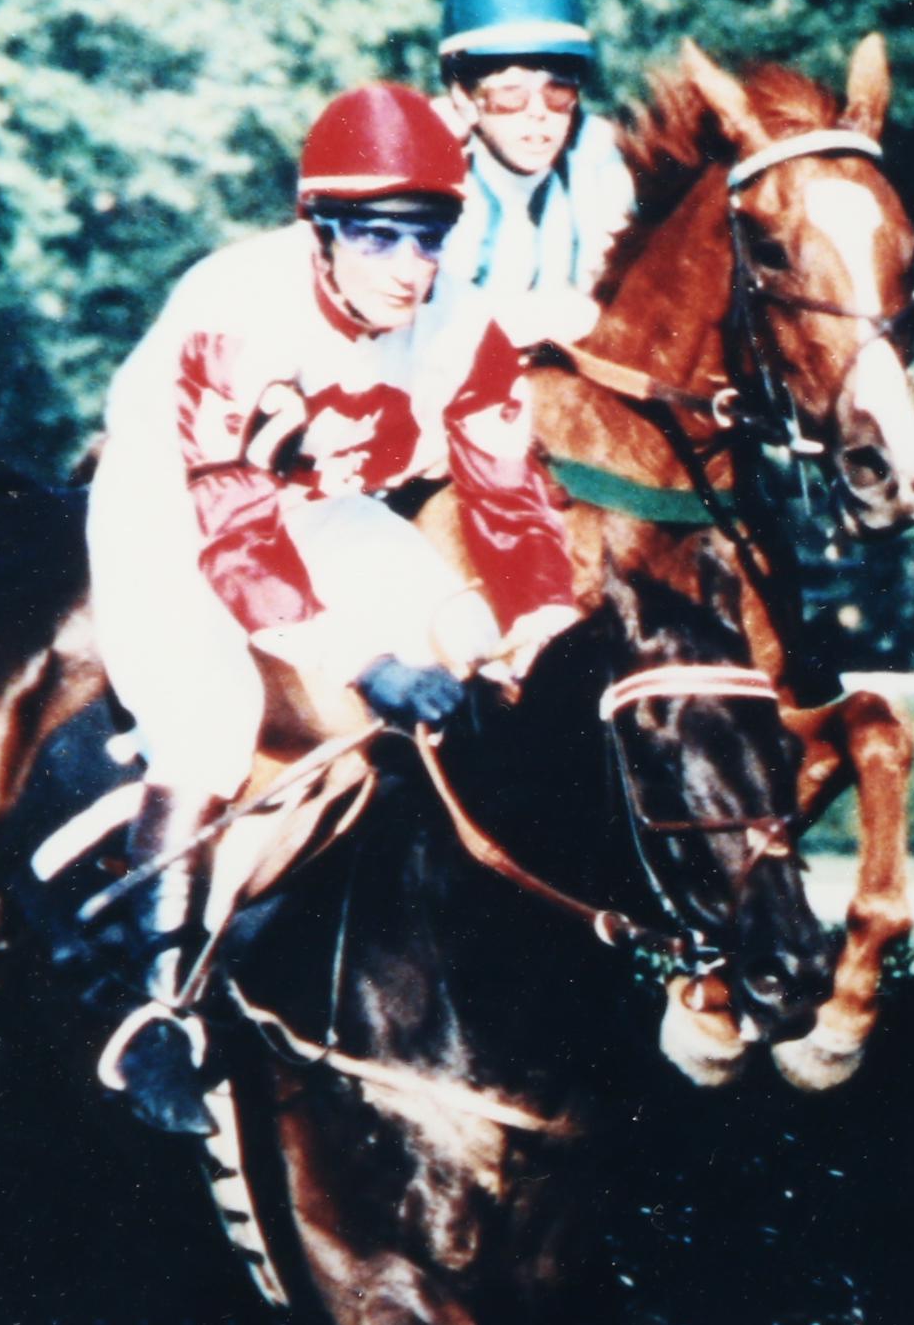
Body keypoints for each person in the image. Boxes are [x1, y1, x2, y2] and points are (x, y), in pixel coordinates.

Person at [82, 82, 583, 1133]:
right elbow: (235, 539)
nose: (414, 267)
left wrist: (544, 620)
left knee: (475, 632)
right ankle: (153, 1007)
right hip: (174, 511)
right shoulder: (236, 311)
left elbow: (511, 496)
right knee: (213, 719)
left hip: (320, 507)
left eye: (433, 235)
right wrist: (365, 662)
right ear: (320, 231)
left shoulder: (460, 319)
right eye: (381, 238)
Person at [432, 0, 635, 352]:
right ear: (465, 99)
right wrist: (537, 317)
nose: (538, 114)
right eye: (511, 96)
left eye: (558, 93)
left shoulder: (599, 160)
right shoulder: (433, 171)